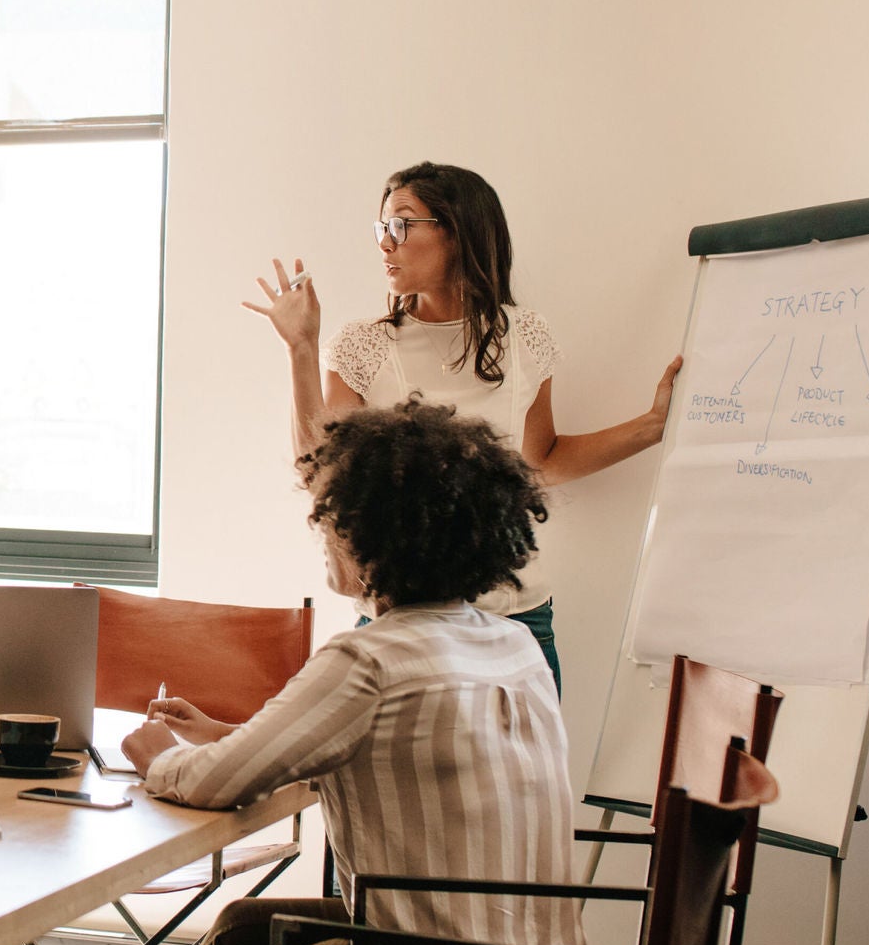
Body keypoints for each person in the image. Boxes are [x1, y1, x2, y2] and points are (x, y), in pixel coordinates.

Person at [30, 401, 586, 945]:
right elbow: (366, 749)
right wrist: (222, 733)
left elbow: (213, 785)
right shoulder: (511, 643)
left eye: (329, 521)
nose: (324, 534)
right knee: (240, 931)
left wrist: (159, 749)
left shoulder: (370, 659)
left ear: (367, 538)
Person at [244, 161, 681, 691]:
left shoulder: (525, 337)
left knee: (527, 775)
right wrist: (302, 349)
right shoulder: (365, 345)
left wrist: (654, 425)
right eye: (382, 227)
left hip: (517, 620)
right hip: (401, 620)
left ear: (458, 231)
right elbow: (324, 476)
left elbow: (540, 461)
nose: (385, 243)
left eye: (401, 225)